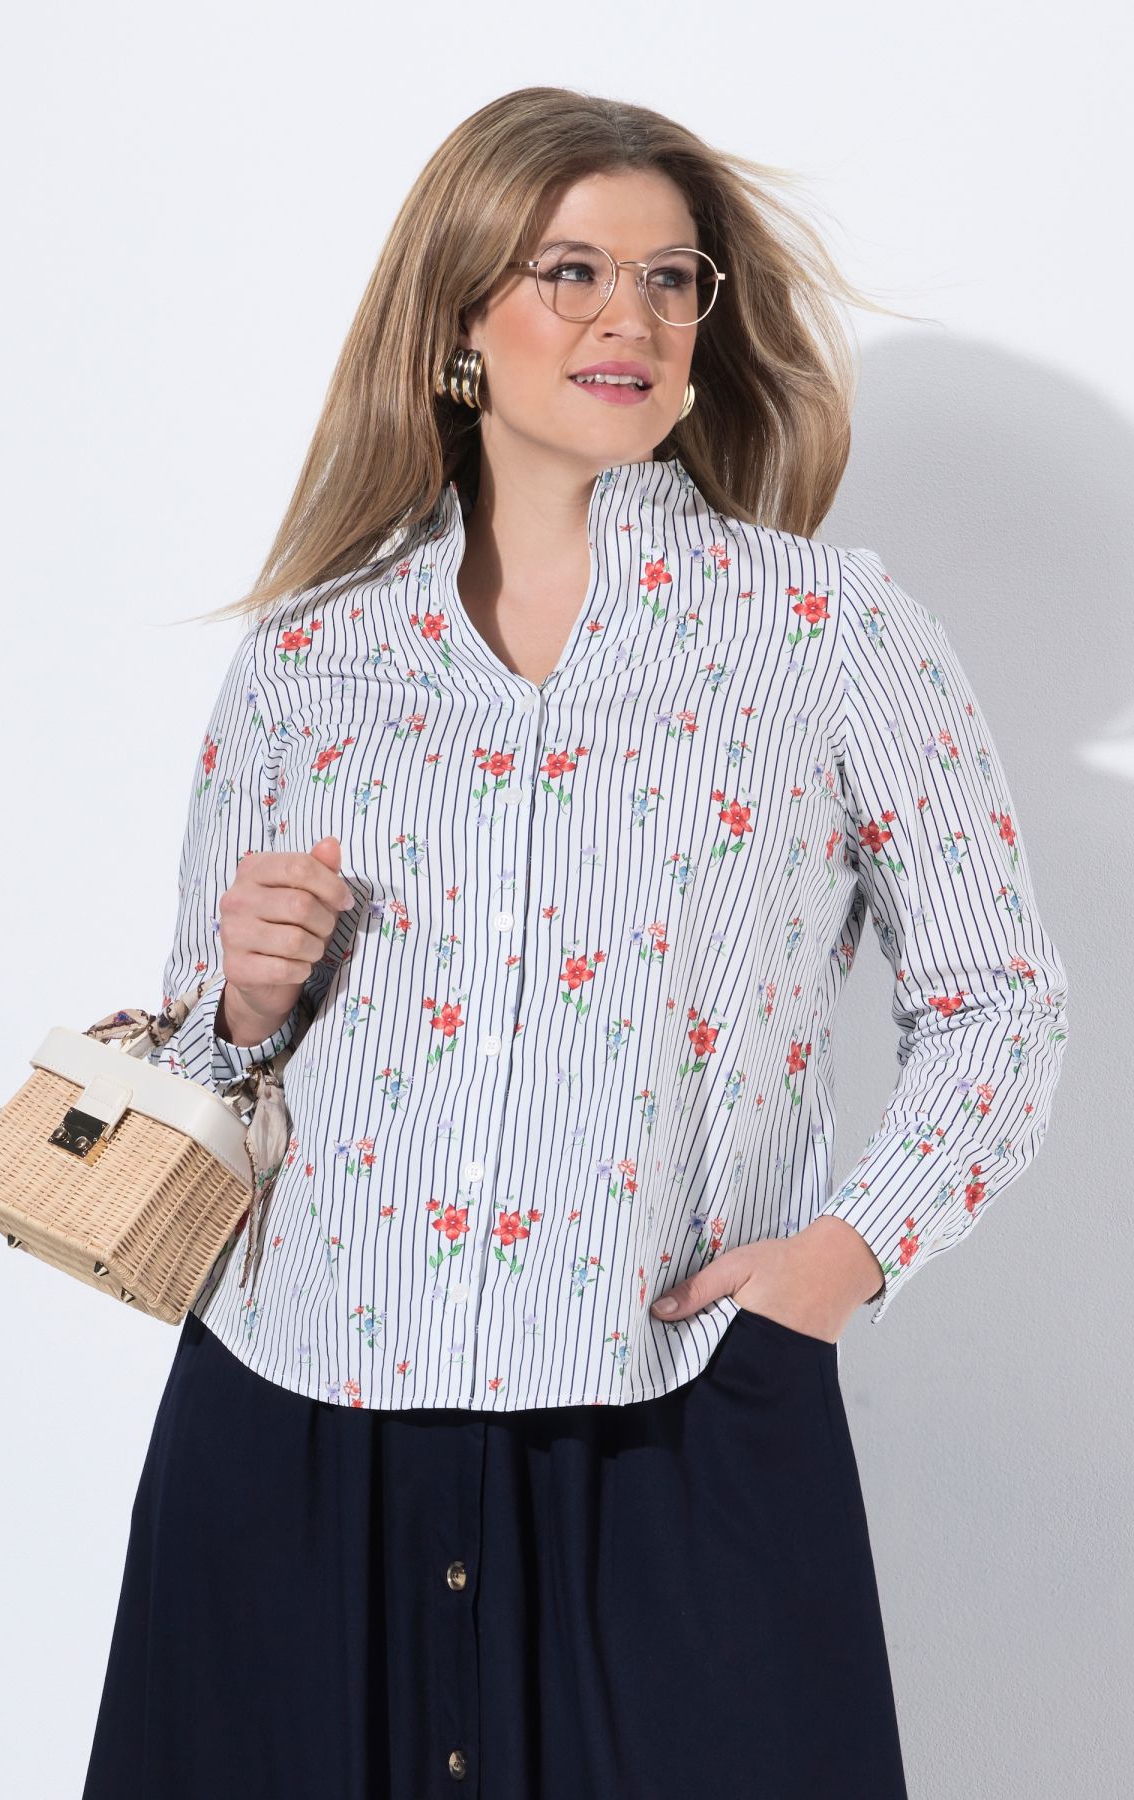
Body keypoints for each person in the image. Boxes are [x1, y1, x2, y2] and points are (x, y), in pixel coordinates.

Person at [81, 86, 1069, 1800]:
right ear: (458, 319)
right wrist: (240, 1001)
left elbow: (1002, 1006)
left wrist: (847, 1257)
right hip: (302, 1419)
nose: (633, 317)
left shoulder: (827, 633)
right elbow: (201, 1067)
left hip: (671, 1410)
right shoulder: (310, 659)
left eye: (671, 279)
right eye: (573, 273)